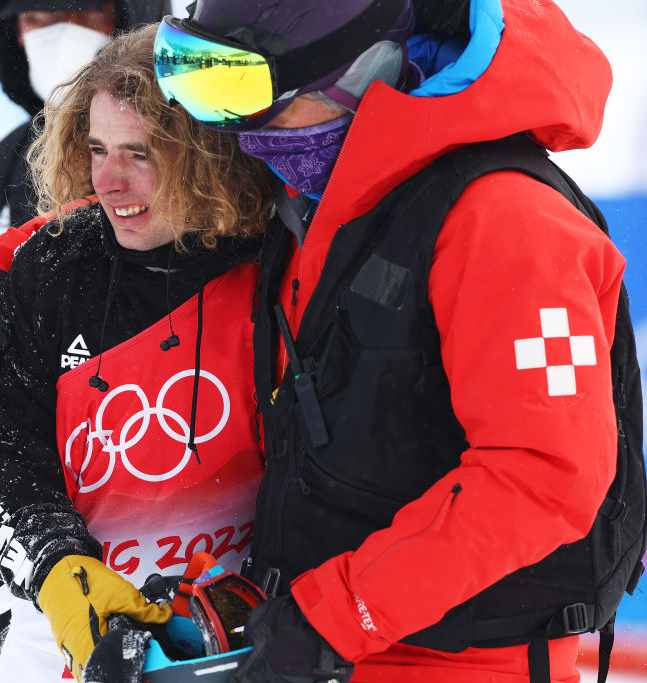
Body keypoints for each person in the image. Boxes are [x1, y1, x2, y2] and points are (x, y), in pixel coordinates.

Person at [151, 1, 644, 682]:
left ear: (367, 73)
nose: (241, 130)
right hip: (327, 648)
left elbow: (543, 476)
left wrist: (339, 612)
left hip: (458, 661)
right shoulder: (328, 192)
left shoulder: (505, 219)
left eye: (251, 96)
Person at [0, 24, 273, 682]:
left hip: (220, 636)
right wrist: (56, 561)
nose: (109, 180)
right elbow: (4, 443)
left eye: (140, 153)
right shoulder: (56, 261)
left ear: (203, 153)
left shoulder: (269, 261)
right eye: (98, 148)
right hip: (65, 630)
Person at [0, 3, 168, 683]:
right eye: (39, 16)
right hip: (24, 526)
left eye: (83, 11)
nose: (60, 35)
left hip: (165, 525)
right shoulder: (6, 166)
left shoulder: (187, 151)